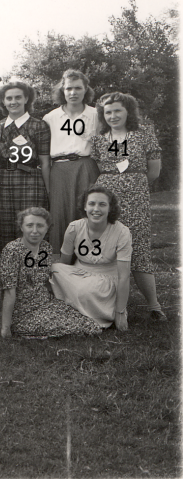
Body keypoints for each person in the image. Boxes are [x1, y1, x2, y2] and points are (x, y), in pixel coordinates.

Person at [89, 92, 165, 320]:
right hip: (107, 197)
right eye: (108, 112)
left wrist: (133, 184)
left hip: (136, 196)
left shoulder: (143, 134)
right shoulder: (99, 138)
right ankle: (106, 302)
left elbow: (154, 171)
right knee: (106, 245)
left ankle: (154, 305)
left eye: (117, 111)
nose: (112, 116)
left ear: (128, 111)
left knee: (138, 246)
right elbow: (97, 168)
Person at [0, 207, 102, 338]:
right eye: (29, 225)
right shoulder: (12, 251)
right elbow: (9, 292)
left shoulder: (45, 248)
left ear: (47, 228)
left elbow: (44, 280)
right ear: (21, 227)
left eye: (40, 226)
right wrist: (5, 328)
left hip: (45, 303)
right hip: (23, 312)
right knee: (82, 327)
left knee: (90, 323)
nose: (35, 231)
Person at [51, 186, 132, 329]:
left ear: (110, 208)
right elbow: (64, 263)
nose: (96, 209)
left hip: (105, 281)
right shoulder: (74, 228)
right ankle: (78, 304)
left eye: (102, 204)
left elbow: (124, 277)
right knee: (54, 269)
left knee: (86, 290)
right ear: (85, 207)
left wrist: (120, 312)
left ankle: (94, 310)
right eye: (92, 204)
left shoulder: (122, 232)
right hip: (79, 275)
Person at [0, 80, 51, 255]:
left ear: (26, 99)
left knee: (31, 224)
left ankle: (34, 270)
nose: (13, 101)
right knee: (4, 224)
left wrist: (49, 191)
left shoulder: (39, 125)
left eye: (18, 97)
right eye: (8, 98)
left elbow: (45, 162)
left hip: (31, 180)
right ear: (3, 101)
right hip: (3, 181)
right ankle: (7, 270)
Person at [43, 70, 100, 254]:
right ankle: (61, 264)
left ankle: (91, 258)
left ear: (86, 90)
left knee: (87, 210)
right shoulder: (50, 118)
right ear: (62, 91)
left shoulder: (96, 114)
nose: (73, 93)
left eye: (78, 88)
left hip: (86, 166)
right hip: (59, 169)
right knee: (60, 214)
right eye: (69, 88)